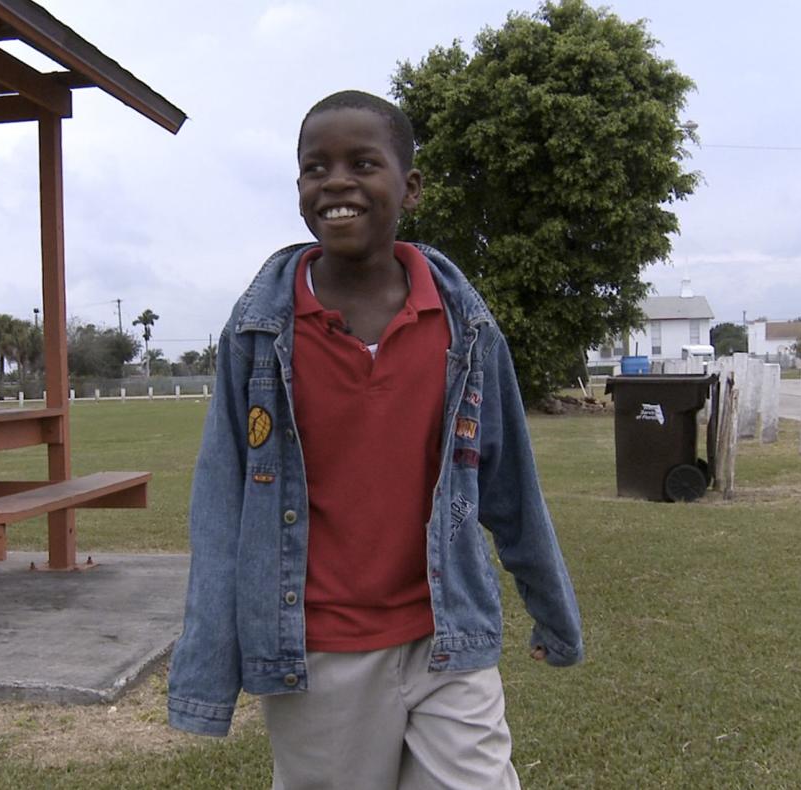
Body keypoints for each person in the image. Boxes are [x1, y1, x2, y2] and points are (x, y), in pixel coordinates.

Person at [166, 89, 583, 789]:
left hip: (448, 638)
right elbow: (220, 505)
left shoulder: (466, 330)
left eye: (363, 163)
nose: (335, 182)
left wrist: (553, 612)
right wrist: (211, 663)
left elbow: (510, 487)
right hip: (319, 652)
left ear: (410, 187)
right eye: (314, 168)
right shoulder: (260, 335)